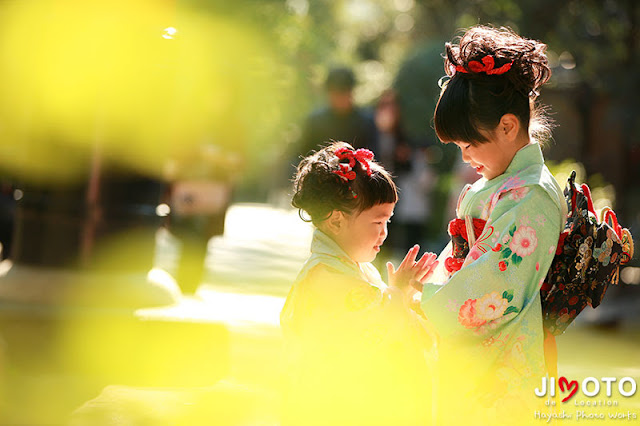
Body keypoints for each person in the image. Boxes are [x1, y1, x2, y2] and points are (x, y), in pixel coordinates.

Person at [419, 26, 566, 423]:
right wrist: (427, 280)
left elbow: (493, 289)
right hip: (478, 362)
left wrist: (424, 303)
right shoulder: (499, 187)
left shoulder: (532, 194)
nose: (465, 157)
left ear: (507, 127)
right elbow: (461, 258)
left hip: (502, 370)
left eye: (470, 145)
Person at [280, 142, 437, 426]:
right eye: (377, 222)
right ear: (337, 221)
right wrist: (398, 294)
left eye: (388, 222)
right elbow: (373, 327)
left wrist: (401, 294)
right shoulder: (327, 276)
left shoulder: (351, 268)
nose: (384, 234)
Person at [374, 89, 435, 256]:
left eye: (393, 107)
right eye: (385, 106)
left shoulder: (404, 137)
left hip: (398, 194)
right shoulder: (370, 132)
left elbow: (411, 167)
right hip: (372, 191)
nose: (389, 112)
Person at [297, 67, 378, 157]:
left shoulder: (366, 122)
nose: (340, 98)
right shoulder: (315, 122)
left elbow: (374, 157)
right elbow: (303, 155)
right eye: (336, 93)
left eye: (343, 92)